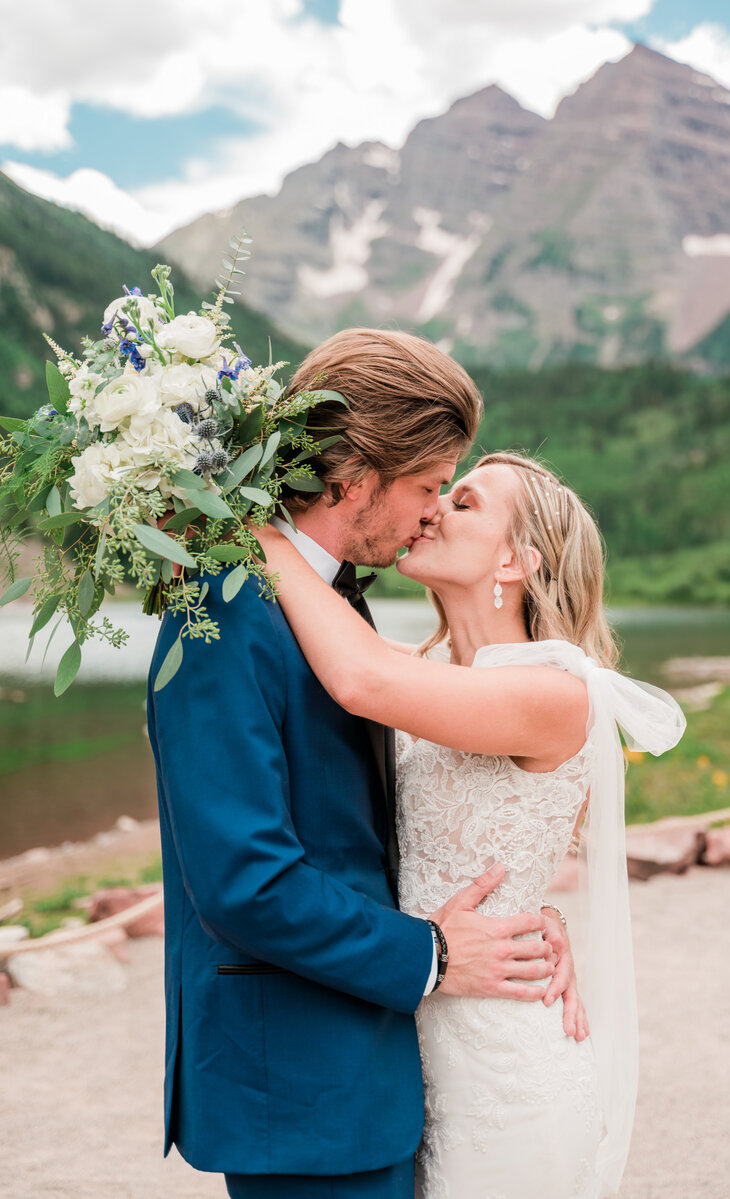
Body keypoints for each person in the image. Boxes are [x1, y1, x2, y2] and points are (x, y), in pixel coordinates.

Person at [146, 331, 583, 1199]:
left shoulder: (331, 602)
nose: (430, 511)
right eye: (428, 486)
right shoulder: (222, 609)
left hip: (382, 1064)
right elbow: (244, 881)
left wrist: (523, 913)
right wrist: (433, 953)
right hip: (305, 1082)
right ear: (353, 474)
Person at [252, 450, 687, 1199]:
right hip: (411, 1052)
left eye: (465, 501)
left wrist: (253, 528)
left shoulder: (556, 692)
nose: (434, 509)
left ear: (517, 559)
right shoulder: (429, 671)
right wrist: (539, 913)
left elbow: (356, 679)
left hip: (506, 1076)